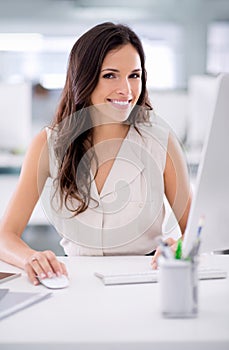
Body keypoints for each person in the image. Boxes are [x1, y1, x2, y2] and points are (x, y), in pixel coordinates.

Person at [0, 22, 192, 285]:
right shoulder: (48, 144)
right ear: (85, 78)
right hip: (75, 281)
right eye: (110, 75)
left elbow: (197, 229)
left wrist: (179, 247)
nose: (126, 89)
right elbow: (5, 236)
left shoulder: (161, 140)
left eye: (134, 75)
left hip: (145, 281)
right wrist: (29, 257)